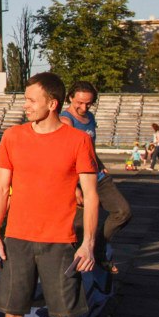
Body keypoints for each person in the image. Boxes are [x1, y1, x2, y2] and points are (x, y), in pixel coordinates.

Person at [0, 72, 98, 317]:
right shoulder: (13, 137)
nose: (25, 105)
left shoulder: (78, 141)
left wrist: (89, 243)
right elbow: (1, 188)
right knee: (13, 312)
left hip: (60, 242)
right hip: (17, 239)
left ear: (52, 104)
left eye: (31, 100)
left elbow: (91, 197)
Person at [59, 81, 132, 269]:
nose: (84, 107)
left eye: (89, 103)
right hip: (77, 179)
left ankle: (98, 247)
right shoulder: (66, 121)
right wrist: (73, 188)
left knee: (123, 212)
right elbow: (64, 157)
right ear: (70, 98)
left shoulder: (89, 117)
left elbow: (88, 148)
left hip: (96, 174)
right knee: (79, 228)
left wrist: (100, 164)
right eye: (80, 103)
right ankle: (80, 271)